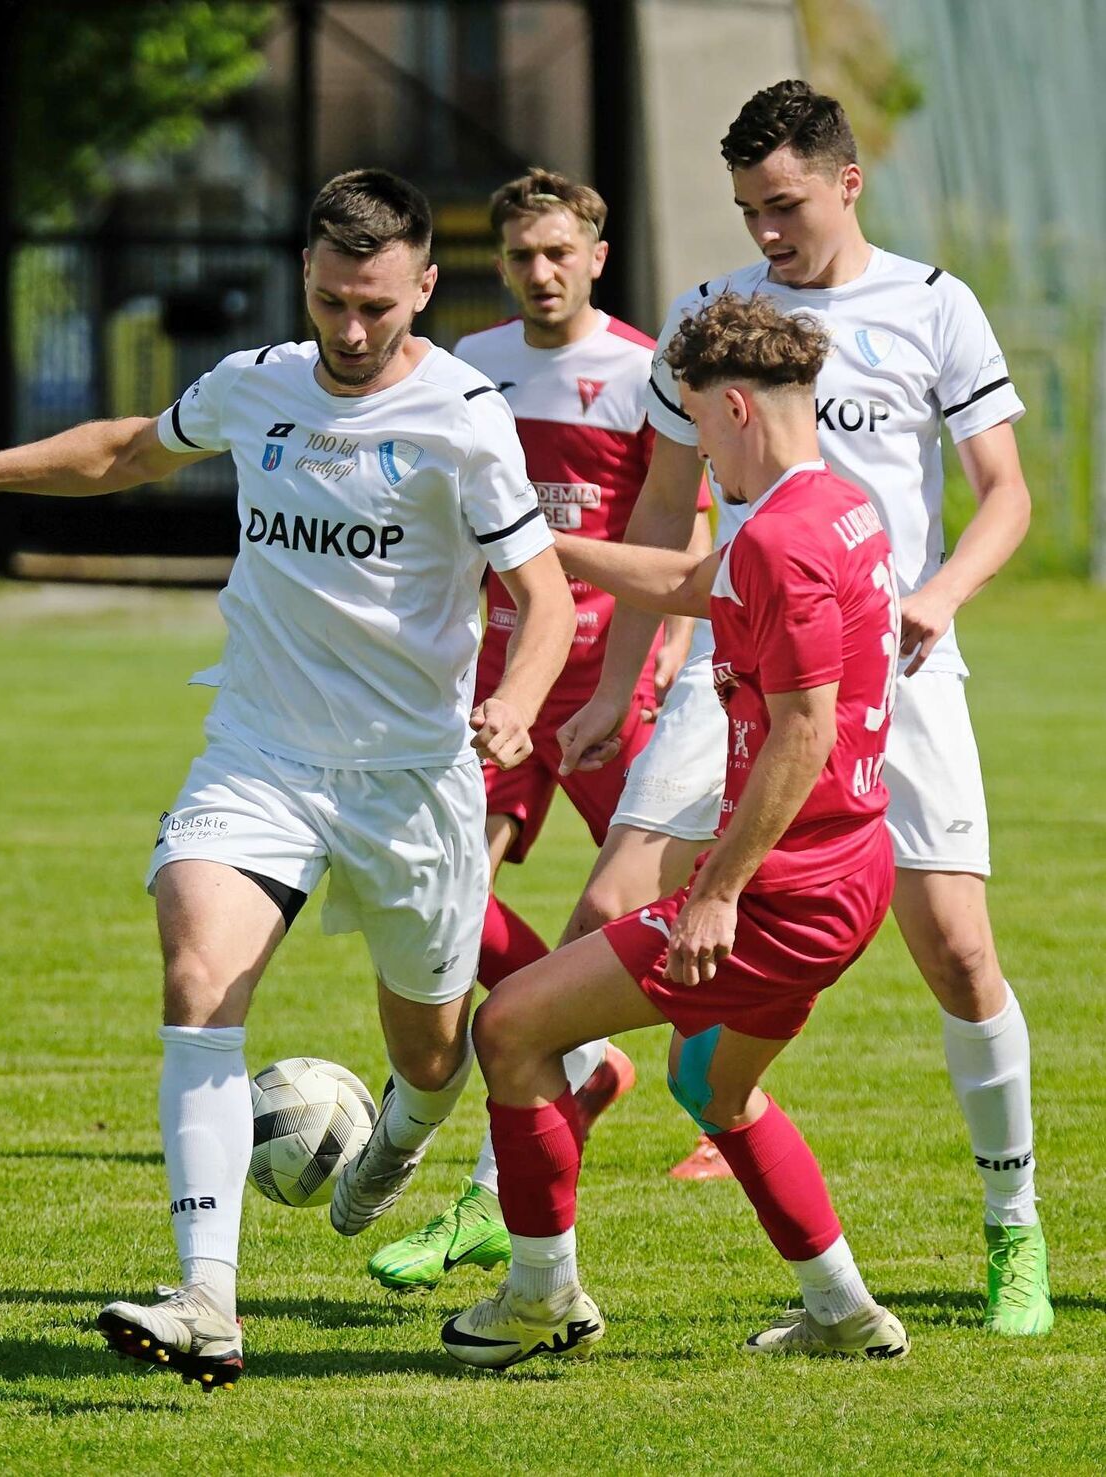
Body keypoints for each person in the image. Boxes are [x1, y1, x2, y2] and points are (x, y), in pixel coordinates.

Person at [0, 169, 577, 1389]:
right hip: (260, 751)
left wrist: (515, 701)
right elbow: (129, 450)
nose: (351, 334)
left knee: (429, 1047)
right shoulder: (256, 383)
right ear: (302, 280)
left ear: (421, 287)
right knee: (197, 967)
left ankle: (398, 1142)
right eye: (328, 304)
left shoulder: (466, 417)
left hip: (412, 778)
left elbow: (550, 597)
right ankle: (207, 1296)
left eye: (376, 307)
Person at [561, 80, 1053, 1336]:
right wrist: (621, 679)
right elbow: (667, 515)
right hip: (742, 667)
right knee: (605, 909)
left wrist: (937, 595)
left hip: (896, 673)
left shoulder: (933, 304)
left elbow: (1005, 493)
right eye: (747, 210)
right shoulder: (715, 319)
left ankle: (1013, 1231)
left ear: (847, 182)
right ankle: (509, 1203)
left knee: (956, 952)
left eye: (784, 205)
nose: (767, 232)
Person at [441, 292, 909, 1369]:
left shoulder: (787, 538)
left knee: (511, 1028)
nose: (695, 451)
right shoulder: (834, 505)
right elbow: (700, 582)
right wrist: (540, 548)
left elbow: (801, 732)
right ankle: (843, 1313)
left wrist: (717, 890)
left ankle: (538, 1297)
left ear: (735, 407)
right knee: (716, 1087)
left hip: (783, 892)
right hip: (852, 869)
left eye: (696, 425)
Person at [366, 168, 712, 1294]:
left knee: (670, 907)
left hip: (613, 686)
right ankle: (576, 1062)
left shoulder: (643, 367)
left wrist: (644, 673)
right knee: (446, 890)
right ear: (499, 262)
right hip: (506, 679)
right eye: (521, 255)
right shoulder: (468, 368)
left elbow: (677, 533)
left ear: (597, 256)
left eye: (560, 252)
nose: (541, 272)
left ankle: (716, 1099)